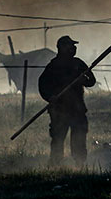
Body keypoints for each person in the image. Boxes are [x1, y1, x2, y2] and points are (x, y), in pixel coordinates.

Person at [38, 35, 95, 166]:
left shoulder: (78, 64)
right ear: (62, 47)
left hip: (77, 110)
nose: (73, 48)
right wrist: (49, 97)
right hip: (59, 110)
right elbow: (42, 85)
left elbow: (91, 81)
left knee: (79, 139)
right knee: (58, 139)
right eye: (70, 45)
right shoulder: (53, 66)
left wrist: (83, 80)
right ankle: (55, 165)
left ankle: (80, 165)